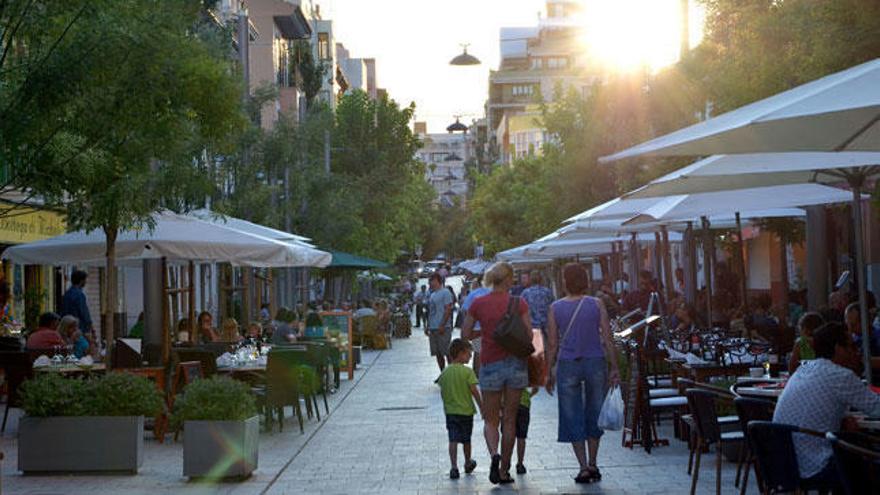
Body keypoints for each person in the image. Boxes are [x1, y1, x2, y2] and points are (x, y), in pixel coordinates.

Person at [773, 322, 880, 487]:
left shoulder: (804, 369)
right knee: (867, 462)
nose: (857, 352)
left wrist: (841, 419)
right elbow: (877, 408)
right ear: (838, 348)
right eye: (852, 346)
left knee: (854, 452)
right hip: (815, 465)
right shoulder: (841, 376)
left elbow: (819, 406)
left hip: (784, 463)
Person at [545, 263, 621, 484]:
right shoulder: (596, 304)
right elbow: (607, 337)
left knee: (571, 413)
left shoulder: (555, 308)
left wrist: (549, 371)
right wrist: (614, 366)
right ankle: (594, 463)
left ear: (564, 282)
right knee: (594, 412)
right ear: (585, 280)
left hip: (568, 364)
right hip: (595, 362)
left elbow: (552, 344)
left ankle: (583, 466)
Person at [461, 262, 531, 485]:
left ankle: (494, 454)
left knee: (491, 420)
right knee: (509, 420)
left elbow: (464, 335)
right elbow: (529, 335)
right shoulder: (518, 303)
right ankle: (503, 470)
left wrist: (487, 338)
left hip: (490, 364)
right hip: (516, 365)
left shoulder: (478, 303)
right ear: (509, 279)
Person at [436, 338, 482, 480]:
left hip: (451, 412)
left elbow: (443, 392)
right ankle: (468, 462)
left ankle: (454, 467)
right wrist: (481, 407)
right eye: (469, 354)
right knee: (466, 440)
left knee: (453, 439)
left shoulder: (445, 373)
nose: (470, 357)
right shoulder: (468, 372)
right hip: (466, 412)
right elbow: (474, 391)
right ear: (461, 353)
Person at [461, 276, 490, 376]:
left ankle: (477, 373)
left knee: (478, 351)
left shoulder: (474, 294)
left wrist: (467, 326)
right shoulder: (494, 293)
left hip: (476, 328)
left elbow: (465, 310)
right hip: (491, 328)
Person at [427, 273, 454, 372]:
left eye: (433, 280)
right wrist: (428, 325)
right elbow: (431, 311)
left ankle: (452, 372)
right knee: (437, 353)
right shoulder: (432, 294)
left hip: (443, 327)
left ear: (439, 281)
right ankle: (442, 373)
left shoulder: (445, 292)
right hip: (433, 327)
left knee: (446, 351)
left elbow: (448, 309)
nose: (431, 283)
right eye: (430, 280)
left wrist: (442, 324)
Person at [520, 271, 554, 337]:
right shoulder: (547, 292)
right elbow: (552, 308)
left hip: (532, 327)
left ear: (531, 280)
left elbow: (520, 309)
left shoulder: (525, 293)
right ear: (541, 279)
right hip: (546, 326)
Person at [514, 387, 538, 475]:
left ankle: (505, 464)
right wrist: (527, 396)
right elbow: (536, 389)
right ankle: (520, 464)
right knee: (521, 437)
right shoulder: (526, 372)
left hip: (509, 404)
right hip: (524, 406)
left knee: (508, 435)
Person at [61, 270, 93, 335]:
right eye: (85, 280)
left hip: (67, 328)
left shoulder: (67, 294)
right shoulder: (79, 295)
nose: (86, 282)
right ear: (81, 281)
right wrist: (90, 327)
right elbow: (84, 313)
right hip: (79, 328)